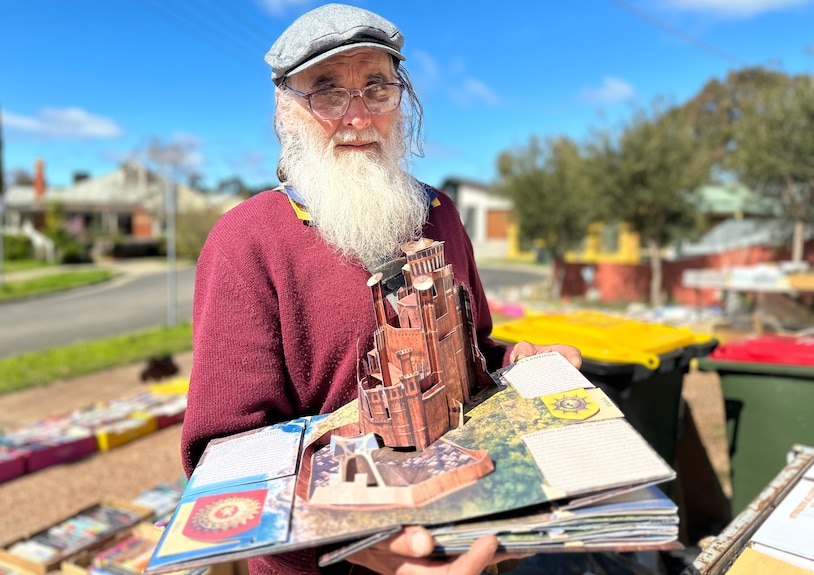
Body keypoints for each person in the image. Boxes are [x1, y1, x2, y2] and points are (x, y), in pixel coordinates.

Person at [181, 4, 581, 575]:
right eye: (326, 91)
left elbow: (474, 352)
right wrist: (351, 537)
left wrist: (517, 361)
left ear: (403, 100)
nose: (358, 116)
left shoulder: (439, 213)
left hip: (469, 531)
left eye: (377, 89)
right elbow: (222, 452)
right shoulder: (245, 240)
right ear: (285, 108)